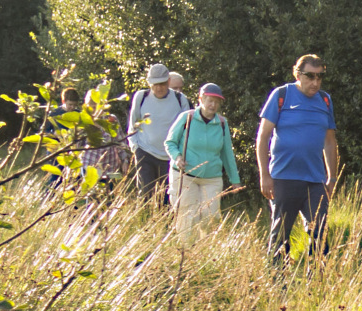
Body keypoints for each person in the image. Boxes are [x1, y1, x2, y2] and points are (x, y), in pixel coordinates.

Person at [257, 54, 338, 262]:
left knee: (320, 234)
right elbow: (263, 136)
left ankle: (317, 285)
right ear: (297, 74)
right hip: (283, 178)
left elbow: (330, 142)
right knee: (281, 236)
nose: (315, 82)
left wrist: (332, 178)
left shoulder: (325, 100)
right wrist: (265, 176)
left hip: (315, 180)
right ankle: (277, 285)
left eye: (320, 77)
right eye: (310, 76)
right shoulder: (282, 95)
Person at [165, 83, 241, 242]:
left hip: (212, 178)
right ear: (200, 99)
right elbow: (170, 142)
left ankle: (203, 250)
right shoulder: (187, 117)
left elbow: (227, 152)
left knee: (210, 217)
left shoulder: (221, 123)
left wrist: (235, 180)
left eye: (216, 101)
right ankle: (185, 252)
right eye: (209, 100)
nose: (212, 105)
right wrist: (177, 157)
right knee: (187, 216)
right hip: (185, 174)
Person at [128, 64, 191, 201]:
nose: (159, 88)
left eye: (162, 83)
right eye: (155, 84)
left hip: (170, 156)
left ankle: (168, 222)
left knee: (168, 197)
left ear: (168, 81)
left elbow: (186, 131)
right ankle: (144, 221)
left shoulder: (181, 100)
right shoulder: (141, 97)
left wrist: (179, 154)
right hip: (145, 151)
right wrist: (135, 148)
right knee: (146, 194)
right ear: (149, 83)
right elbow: (133, 126)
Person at [80, 91, 130, 189]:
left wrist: (125, 159)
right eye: (91, 107)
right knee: (92, 198)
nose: (94, 111)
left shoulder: (111, 119)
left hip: (109, 167)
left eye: (95, 107)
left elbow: (119, 141)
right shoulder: (83, 121)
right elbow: (76, 145)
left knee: (109, 199)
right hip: (89, 165)